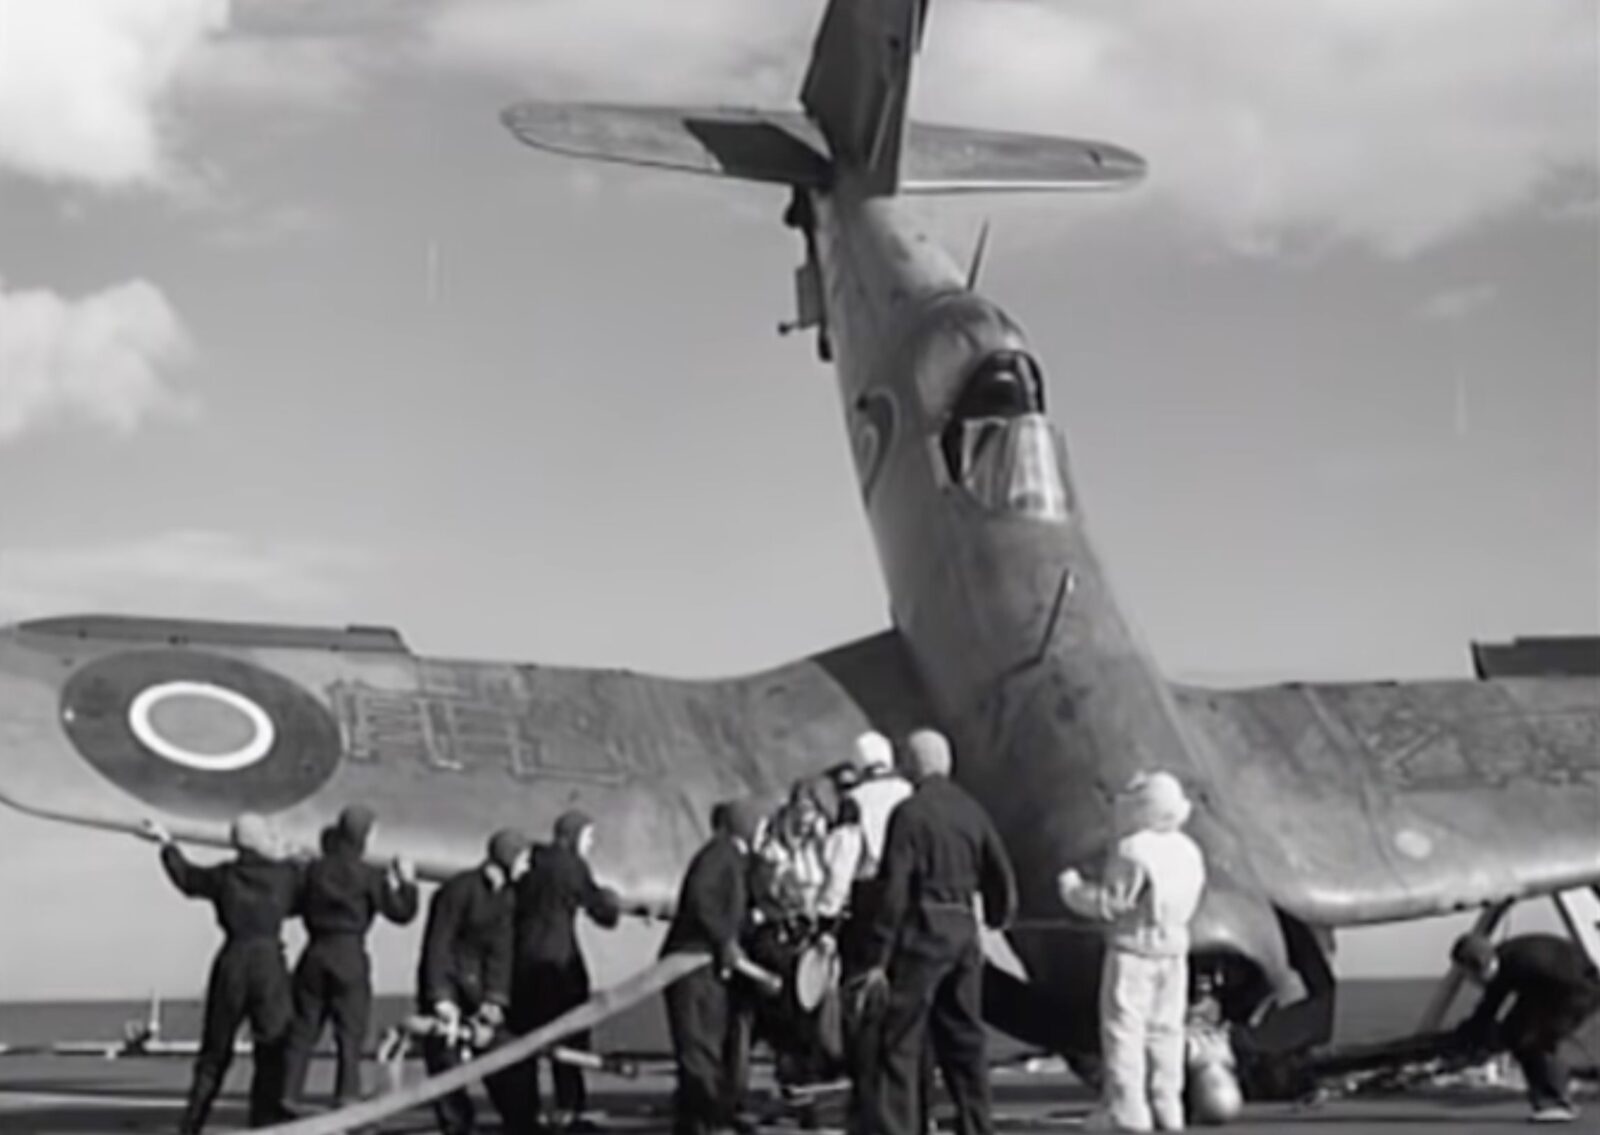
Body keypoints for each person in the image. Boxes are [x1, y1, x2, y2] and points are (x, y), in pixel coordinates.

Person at [862, 729, 1017, 1135]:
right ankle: (976, 1125)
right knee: (965, 1038)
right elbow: (1001, 874)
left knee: (900, 1040)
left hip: (921, 932)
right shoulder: (972, 811)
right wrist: (996, 918)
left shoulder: (909, 814)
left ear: (911, 765)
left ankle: (901, 1127)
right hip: (963, 930)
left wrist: (879, 954)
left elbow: (894, 888)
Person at [1059, 771, 1206, 1134]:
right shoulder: (1189, 850)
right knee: (1167, 1031)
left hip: (1134, 950)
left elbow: (1112, 904)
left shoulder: (1133, 850)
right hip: (1174, 950)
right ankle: (1168, 1104)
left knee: (1124, 1030)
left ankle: (1127, 1109)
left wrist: (1072, 889)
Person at [142, 814, 303, 1133]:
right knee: (271, 1051)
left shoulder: (225, 876)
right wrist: (292, 855)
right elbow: (308, 896)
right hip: (268, 963)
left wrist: (166, 843)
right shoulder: (285, 876)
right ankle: (264, 1123)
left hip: (232, 962)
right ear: (260, 841)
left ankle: (193, 1124)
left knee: (214, 1053)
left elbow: (187, 878)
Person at [281, 805, 419, 1108]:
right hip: (350, 953)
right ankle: (346, 1094)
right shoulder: (369, 875)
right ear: (365, 837)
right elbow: (401, 913)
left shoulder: (314, 871)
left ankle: (288, 1093)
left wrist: (292, 867)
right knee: (350, 1033)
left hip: (315, 951)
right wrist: (407, 882)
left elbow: (291, 905)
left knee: (303, 1029)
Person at [508, 810, 626, 1133]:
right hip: (559, 962)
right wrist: (612, 901)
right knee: (570, 1035)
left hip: (521, 960)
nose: (591, 845)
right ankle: (569, 1109)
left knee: (524, 1042)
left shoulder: (531, 861)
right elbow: (600, 910)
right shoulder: (571, 866)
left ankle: (525, 1113)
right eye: (588, 837)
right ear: (574, 837)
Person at [660, 798, 767, 1135]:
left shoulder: (734, 858)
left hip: (706, 962)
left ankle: (702, 1115)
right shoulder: (718, 856)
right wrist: (725, 939)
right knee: (699, 1043)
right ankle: (704, 1118)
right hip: (692, 962)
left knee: (708, 1041)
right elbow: (701, 900)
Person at [417, 828, 530, 1135]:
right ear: (507, 859)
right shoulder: (458, 890)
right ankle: (458, 1127)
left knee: (503, 1058)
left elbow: (501, 952)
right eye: (523, 859)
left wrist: (495, 999)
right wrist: (441, 999)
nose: (527, 867)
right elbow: (438, 945)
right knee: (446, 1065)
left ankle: (519, 1124)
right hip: (448, 986)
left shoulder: (506, 897)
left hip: (477, 989)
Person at [1451, 931, 1600, 1124]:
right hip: (1556, 986)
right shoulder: (1503, 961)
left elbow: (1549, 1000)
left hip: (1576, 989)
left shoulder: (1528, 964)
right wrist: (1470, 1032)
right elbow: (1490, 1004)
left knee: (1535, 1039)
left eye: (1468, 974)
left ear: (1475, 967)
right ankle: (1560, 1087)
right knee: (1516, 1033)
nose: (1470, 981)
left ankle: (1556, 1102)